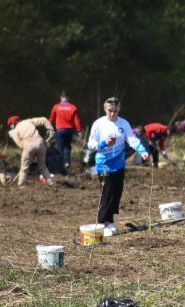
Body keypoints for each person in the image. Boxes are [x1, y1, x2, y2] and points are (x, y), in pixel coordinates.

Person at [85, 97, 150, 227]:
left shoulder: (124, 123)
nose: (113, 114)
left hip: (119, 163)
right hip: (104, 164)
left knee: (117, 193)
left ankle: (110, 220)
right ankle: (105, 222)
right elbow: (91, 144)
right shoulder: (99, 124)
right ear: (105, 110)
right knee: (107, 192)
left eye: (115, 111)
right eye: (110, 111)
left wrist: (142, 151)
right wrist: (104, 143)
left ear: (119, 109)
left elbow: (132, 139)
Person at [6, 115, 53, 186]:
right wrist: (51, 130)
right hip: (41, 144)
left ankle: (21, 184)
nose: (11, 127)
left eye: (11, 125)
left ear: (13, 123)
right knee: (43, 167)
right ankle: (51, 182)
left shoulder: (15, 132)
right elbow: (44, 119)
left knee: (24, 169)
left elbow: (20, 145)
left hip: (28, 146)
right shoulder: (28, 121)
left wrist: (29, 152)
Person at [48, 93, 82, 173]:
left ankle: (60, 164)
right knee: (67, 146)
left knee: (60, 148)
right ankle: (67, 162)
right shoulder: (73, 107)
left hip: (60, 130)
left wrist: (48, 128)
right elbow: (76, 120)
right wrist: (79, 130)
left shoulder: (56, 107)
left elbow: (51, 118)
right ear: (68, 98)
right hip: (69, 130)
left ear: (61, 98)